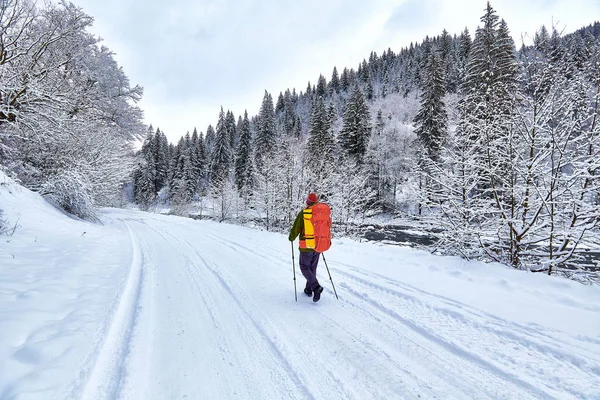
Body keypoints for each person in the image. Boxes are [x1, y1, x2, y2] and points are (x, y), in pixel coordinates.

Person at [289, 192, 324, 302]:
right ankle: (308, 289)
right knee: (312, 268)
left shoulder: (304, 213)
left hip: (306, 247)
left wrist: (291, 237)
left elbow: (296, 228)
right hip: (318, 246)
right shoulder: (321, 214)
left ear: (308, 203)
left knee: (304, 267)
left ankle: (316, 287)